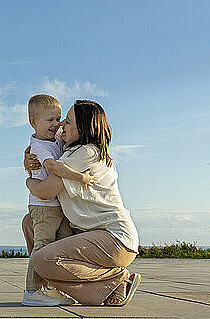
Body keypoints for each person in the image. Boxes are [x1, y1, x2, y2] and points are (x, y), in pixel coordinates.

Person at [23, 100, 141, 306]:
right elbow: (40, 146)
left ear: (84, 128)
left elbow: (44, 191)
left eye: (67, 121)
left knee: (42, 260)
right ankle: (87, 288)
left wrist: (28, 180)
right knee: (30, 222)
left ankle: (116, 279)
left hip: (114, 239)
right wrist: (29, 159)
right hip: (89, 235)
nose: (61, 125)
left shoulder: (84, 153)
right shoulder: (71, 150)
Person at [22, 94, 96, 307]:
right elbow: (53, 167)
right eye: (50, 121)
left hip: (57, 206)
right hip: (43, 206)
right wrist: (80, 177)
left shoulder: (54, 140)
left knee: (63, 244)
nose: (56, 125)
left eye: (58, 119)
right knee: (43, 245)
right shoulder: (39, 146)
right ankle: (32, 291)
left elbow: (78, 141)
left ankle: (53, 287)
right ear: (33, 123)